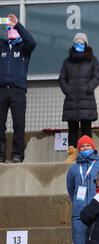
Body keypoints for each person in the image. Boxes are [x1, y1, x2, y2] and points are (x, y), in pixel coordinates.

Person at [59, 33, 99, 163]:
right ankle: (72, 154)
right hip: (71, 100)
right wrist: (67, 90)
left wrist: (89, 88)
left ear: (86, 44)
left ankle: (87, 154)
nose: (79, 43)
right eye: (76, 41)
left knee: (86, 127)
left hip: (86, 100)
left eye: (81, 42)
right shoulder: (67, 61)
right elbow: (62, 78)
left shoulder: (93, 60)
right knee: (72, 128)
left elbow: (96, 76)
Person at [0, 14, 36, 163]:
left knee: (19, 124)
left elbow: (32, 42)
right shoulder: (1, 45)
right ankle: (0, 154)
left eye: (13, 28)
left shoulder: (24, 48)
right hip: (1, 90)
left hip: (18, 90)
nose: (11, 30)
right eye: (9, 28)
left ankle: (17, 154)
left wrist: (18, 25)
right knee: (0, 124)